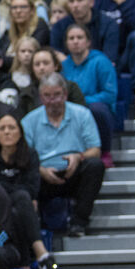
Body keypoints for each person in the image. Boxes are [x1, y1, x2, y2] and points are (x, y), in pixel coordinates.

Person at [22, 73, 105, 237]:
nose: (52, 101)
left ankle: (79, 222)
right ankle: (35, 229)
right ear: (40, 97)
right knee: (23, 175)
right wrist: (40, 170)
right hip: (43, 175)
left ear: (65, 94)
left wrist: (78, 157)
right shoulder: (29, 121)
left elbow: (95, 150)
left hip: (73, 172)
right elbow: (23, 157)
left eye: (57, 95)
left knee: (95, 165)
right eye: (47, 96)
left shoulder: (82, 114)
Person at [0, 115, 62, 269]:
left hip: (22, 208)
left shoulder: (31, 154)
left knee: (20, 204)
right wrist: (11, 190)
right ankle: (42, 256)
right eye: (2, 129)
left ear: (20, 132)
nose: (7, 132)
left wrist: (4, 187)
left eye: (12, 128)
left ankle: (26, 261)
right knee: (21, 198)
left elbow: (33, 187)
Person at [60, 24, 116, 161]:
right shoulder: (63, 65)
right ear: (66, 43)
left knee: (96, 109)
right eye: (71, 38)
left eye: (79, 37)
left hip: (96, 107)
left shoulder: (101, 61)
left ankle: (105, 152)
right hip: (70, 107)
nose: (75, 41)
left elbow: (109, 94)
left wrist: (82, 102)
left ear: (88, 42)